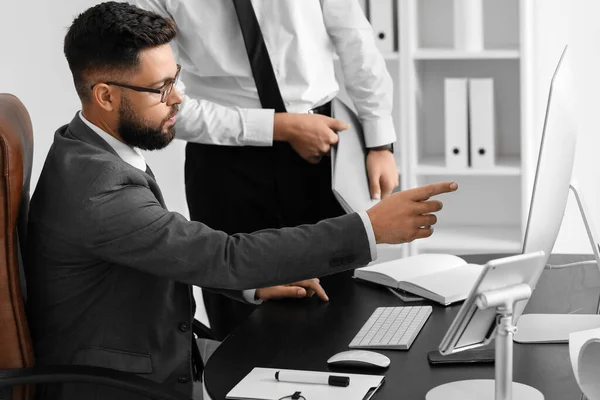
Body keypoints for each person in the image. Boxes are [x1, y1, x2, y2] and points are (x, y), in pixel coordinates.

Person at [25, 3, 456, 399]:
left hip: (157, 353)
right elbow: (223, 256)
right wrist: (371, 227)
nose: (178, 98)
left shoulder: (92, 149)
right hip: (125, 386)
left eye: (176, 79)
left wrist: (249, 285)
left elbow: (165, 252)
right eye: (161, 89)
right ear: (105, 95)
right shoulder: (101, 188)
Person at [131, 0, 400, 340]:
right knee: (239, 306)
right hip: (224, 158)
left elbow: (354, 37)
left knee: (340, 303)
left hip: (322, 146)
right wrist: (280, 126)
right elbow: (164, 102)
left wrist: (379, 141)